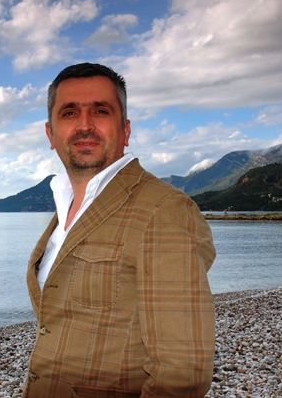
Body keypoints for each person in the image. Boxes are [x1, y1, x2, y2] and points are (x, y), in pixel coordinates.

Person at [24, 63, 216, 397]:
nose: (85, 125)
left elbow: (182, 375)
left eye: (101, 111)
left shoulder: (163, 209)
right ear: (50, 133)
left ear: (125, 130)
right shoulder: (66, 206)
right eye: (69, 113)